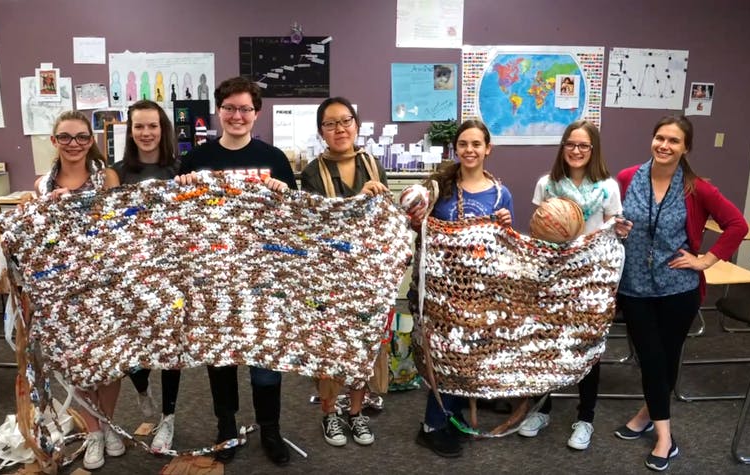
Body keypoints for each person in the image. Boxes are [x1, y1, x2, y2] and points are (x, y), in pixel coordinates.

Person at [614, 115, 748, 471]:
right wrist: (619, 230)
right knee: (651, 359)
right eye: (660, 138)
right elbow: (612, 223)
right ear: (652, 140)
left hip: (679, 289)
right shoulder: (628, 179)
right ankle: (659, 428)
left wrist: (706, 259)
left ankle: (660, 433)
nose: (664, 145)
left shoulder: (697, 188)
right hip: (635, 287)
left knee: (666, 357)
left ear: (685, 147)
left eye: (674, 140)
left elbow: (737, 224)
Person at [174, 76, 296, 466]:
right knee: (221, 356)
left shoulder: (273, 159)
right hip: (214, 276)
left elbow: (292, 218)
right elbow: (179, 219)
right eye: (229, 108)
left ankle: (270, 429)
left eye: (245, 109)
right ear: (219, 112)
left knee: (265, 358)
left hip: (262, 276)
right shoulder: (198, 160)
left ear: (256, 114)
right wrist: (183, 188)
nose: (237, 115)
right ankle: (226, 426)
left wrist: (284, 195)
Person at [405, 119, 514, 458]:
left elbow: (504, 245)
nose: (469, 150)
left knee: (467, 356)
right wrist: (416, 217)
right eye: (463, 144)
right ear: (456, 149)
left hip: (479, 290)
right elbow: (417, 225)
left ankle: (450, 416)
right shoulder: (439, 188)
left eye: (476, 144)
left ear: (487, 148)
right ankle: (431, 425)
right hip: (442, 289)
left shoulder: (500, 193)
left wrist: (506, 226)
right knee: (442, 356)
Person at [520, 119, 631, 450]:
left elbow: (614, 230)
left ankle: (585, 419)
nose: (577, 151)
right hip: (552, 277)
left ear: (593, 150)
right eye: (571, 144)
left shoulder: (608, 187)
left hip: (591, 280)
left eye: (584, 145)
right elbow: (541, 230)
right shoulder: (547, 184)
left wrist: (621, 229)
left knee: (587, 349)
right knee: (545, 346)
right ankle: (542, 409)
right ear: (563, 147)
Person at [300, 97, 390, 448]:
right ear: (321, 130)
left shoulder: (372, 164)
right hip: (329, 277)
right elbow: (314, 225)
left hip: (368, 274)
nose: (339, 129)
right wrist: (357, 202)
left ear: (356, 124)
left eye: (346, 121)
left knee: (363, 346)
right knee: (330, 347)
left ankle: (355, 413)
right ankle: (330, 415)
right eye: (330, 123)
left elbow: (383, 218)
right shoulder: (312, 172)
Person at [34, 110, 122, 470]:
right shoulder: (41, 186)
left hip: (103, 285)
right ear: (54, 142)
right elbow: (39, 240)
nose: (74, 144)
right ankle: (94, 432)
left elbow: (121, 229)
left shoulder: (107, 178)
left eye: (82, 137)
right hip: (64, 290)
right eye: (66, 137)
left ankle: (108, 423)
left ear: (92, 141)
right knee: (78, 363)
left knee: (110, 363)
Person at [112, 99, 181, 453]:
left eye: (152, 126)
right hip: (129, 275)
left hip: (171, 273)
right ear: (131, 131)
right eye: (139, 126)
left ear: (162, 129)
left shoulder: (178, 170)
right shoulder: (117, 172)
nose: (146, 133)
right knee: (134, 349)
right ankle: (142, 389)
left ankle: (168, 419)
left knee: (170, 349)